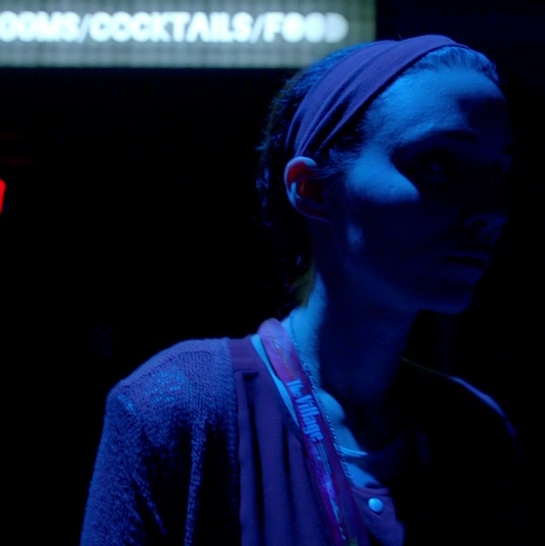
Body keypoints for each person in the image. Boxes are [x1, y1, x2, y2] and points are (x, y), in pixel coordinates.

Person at [81, 34, 520, 545]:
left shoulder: (476, 433)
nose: (491, 210)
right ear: (312, 190)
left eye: (496, 174)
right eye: (440, 164)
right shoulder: (180, 405)